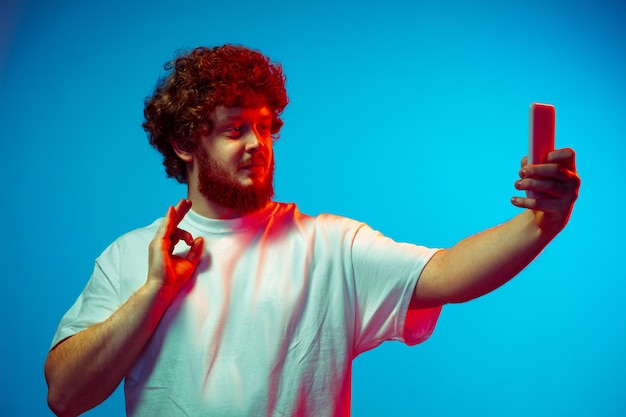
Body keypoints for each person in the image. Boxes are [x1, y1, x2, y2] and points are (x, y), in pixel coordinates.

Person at [44, 44, 580, 417]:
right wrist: (155, 291)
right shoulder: (130, 256)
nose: (257, 144)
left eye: (263, 126)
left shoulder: (329, 245)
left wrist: (539, 225)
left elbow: (447, 274)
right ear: (186, 144)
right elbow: (65, 396)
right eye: (235, 130)